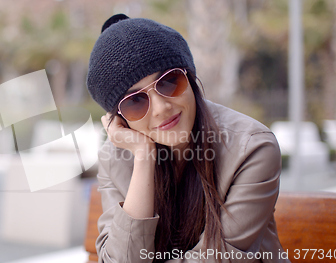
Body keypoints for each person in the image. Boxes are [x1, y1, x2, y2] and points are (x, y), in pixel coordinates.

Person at [86, 14, 290, 263]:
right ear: (119, 118)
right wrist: (143, 156)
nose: (161, 108)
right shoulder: (116, 156)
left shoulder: (252, 148)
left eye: (170, 82)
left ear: (190, 78)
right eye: (135, 101)